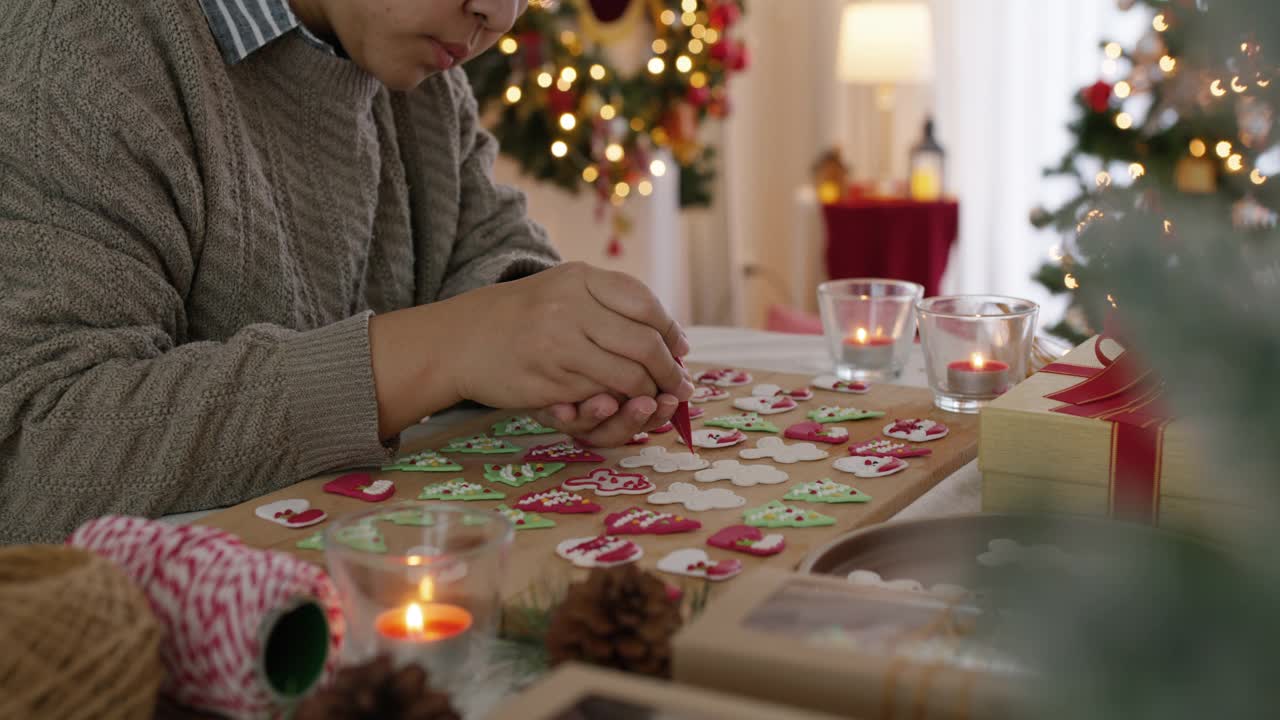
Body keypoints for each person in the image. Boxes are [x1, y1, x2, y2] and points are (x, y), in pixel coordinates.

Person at [0, 0, 693, 543]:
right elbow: (36, 453)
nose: (502, 14)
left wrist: (545, 341)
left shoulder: (412, 61)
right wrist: (445, 348)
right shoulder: (81, 47)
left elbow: (482, 245)